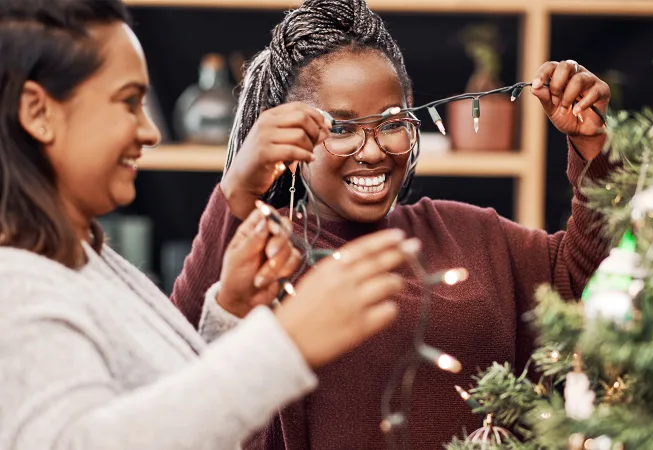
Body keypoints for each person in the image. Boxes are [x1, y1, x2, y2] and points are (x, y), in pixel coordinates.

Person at [171, 0, 618, 448]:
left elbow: (590, 282)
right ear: (292, 137)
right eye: (341, 128)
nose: (372, 151)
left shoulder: (472, 235)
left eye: (390, 123)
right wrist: (237, 191)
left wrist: (593, 149)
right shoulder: (264, 252)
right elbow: (176, 364)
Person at [0, 1, 419, 449]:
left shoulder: (85, 258)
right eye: (128, 102)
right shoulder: (17, 285)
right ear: (38, 112)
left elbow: (161, 406)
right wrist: (284, 344)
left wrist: (229, 315)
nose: (149, 132)